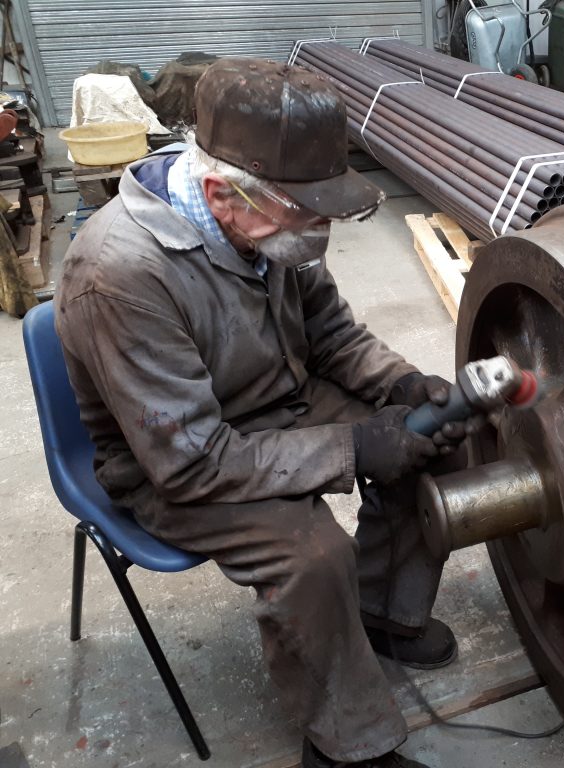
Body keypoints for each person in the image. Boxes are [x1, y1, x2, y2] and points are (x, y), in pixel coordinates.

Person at [55, 57, 473, 768]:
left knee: (428, 438)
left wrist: (401, 386)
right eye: (307, 214)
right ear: (220, 193)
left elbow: (334, 336)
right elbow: (189, 462)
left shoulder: (270, 220)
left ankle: (381, 613)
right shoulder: (119, 274)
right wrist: (351, 449)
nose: (319, 233)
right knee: (311, 555)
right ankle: (348, 747)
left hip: (271, 397)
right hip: (169, 460)